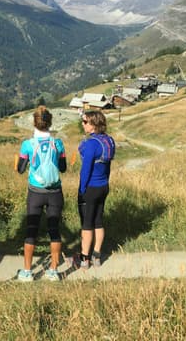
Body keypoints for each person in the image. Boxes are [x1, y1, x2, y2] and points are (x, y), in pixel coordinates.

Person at [15, 105, 67, 282]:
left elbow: (21, 169)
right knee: (54, 230)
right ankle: (53, 271)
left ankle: (27, 271)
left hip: (35, 192)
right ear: (50, 122)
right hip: (55, 192)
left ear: (34, 123)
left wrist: (22, 162)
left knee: (31, 230)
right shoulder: (58, 143)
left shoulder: (28, 144)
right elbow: (63, 168)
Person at [76, 110, 115, 269]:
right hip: (103, 186)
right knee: (99, 220)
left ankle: (84, 259)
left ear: (93, 124)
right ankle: (97, 256)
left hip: (91, 187)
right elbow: (107, 166)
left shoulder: (91, 144)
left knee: (87, 223)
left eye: (85, 122)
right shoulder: (109, 140)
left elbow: (85, 169)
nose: (82, 124)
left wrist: (82, 189)